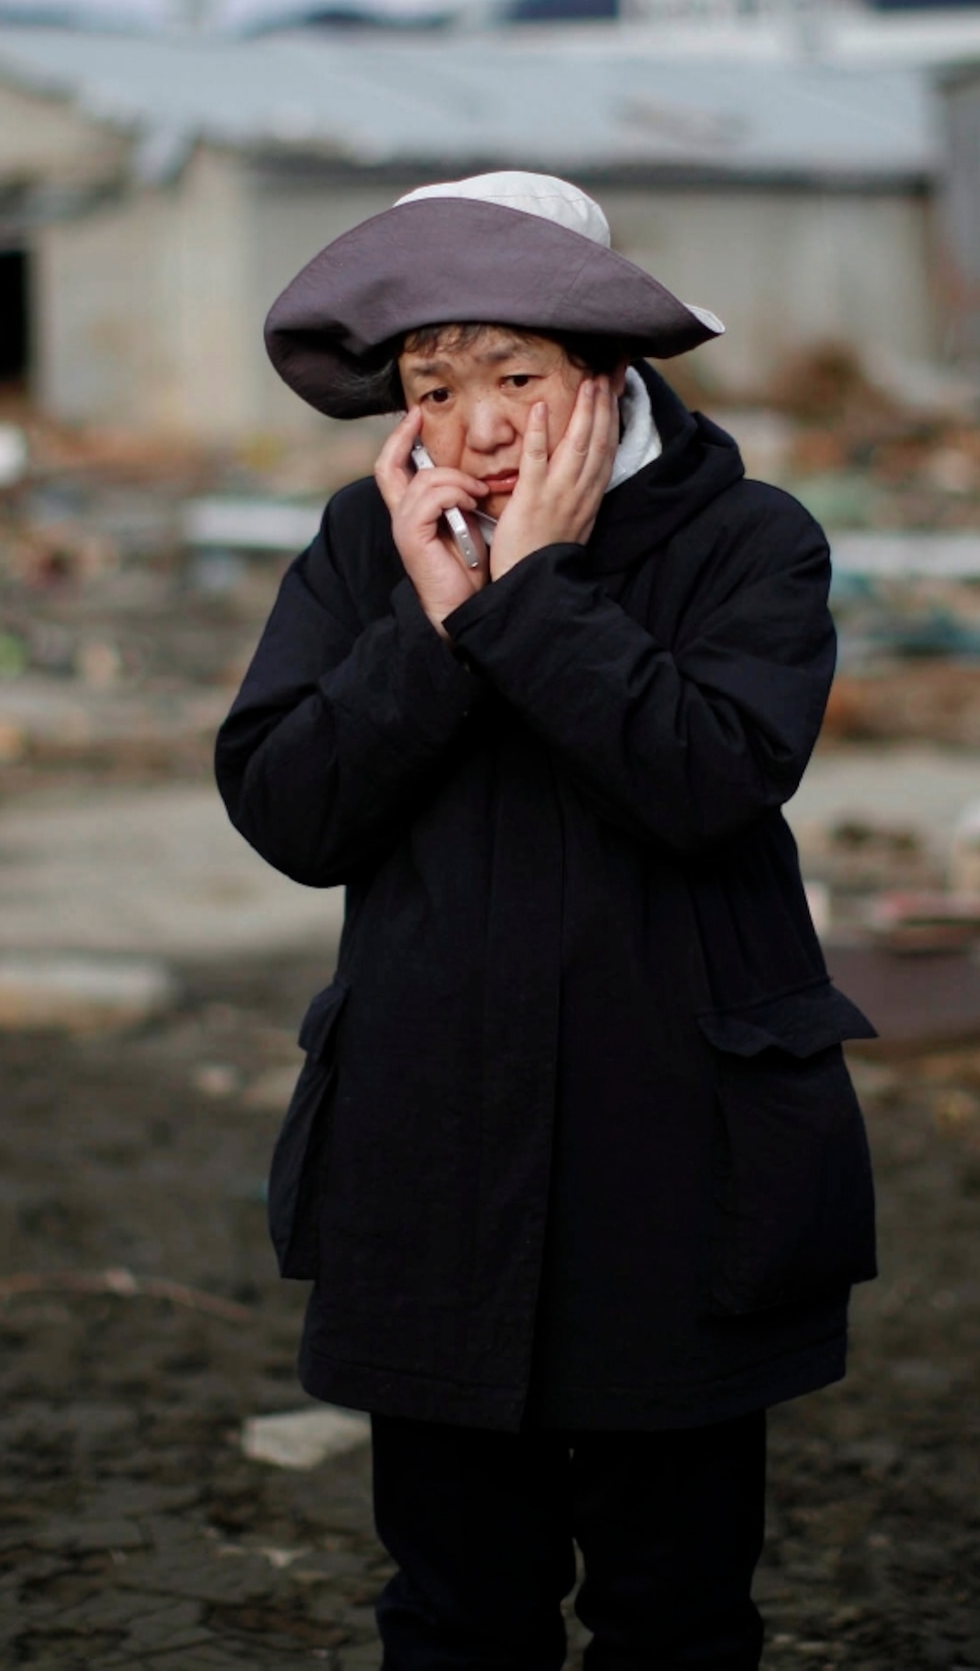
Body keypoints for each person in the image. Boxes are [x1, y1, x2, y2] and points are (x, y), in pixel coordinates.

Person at [217, 171, 877, 1669]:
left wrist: (529, 599)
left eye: (516, 373)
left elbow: (712, 781)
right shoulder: (364, 545)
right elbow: (288, 812)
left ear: (605, 368)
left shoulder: (750, 543)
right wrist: (434, 621)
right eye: (433, 386)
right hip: (430, 1160)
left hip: (676, 1169)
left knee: (676, 1613)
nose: (481, 427)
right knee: (455, 1615)